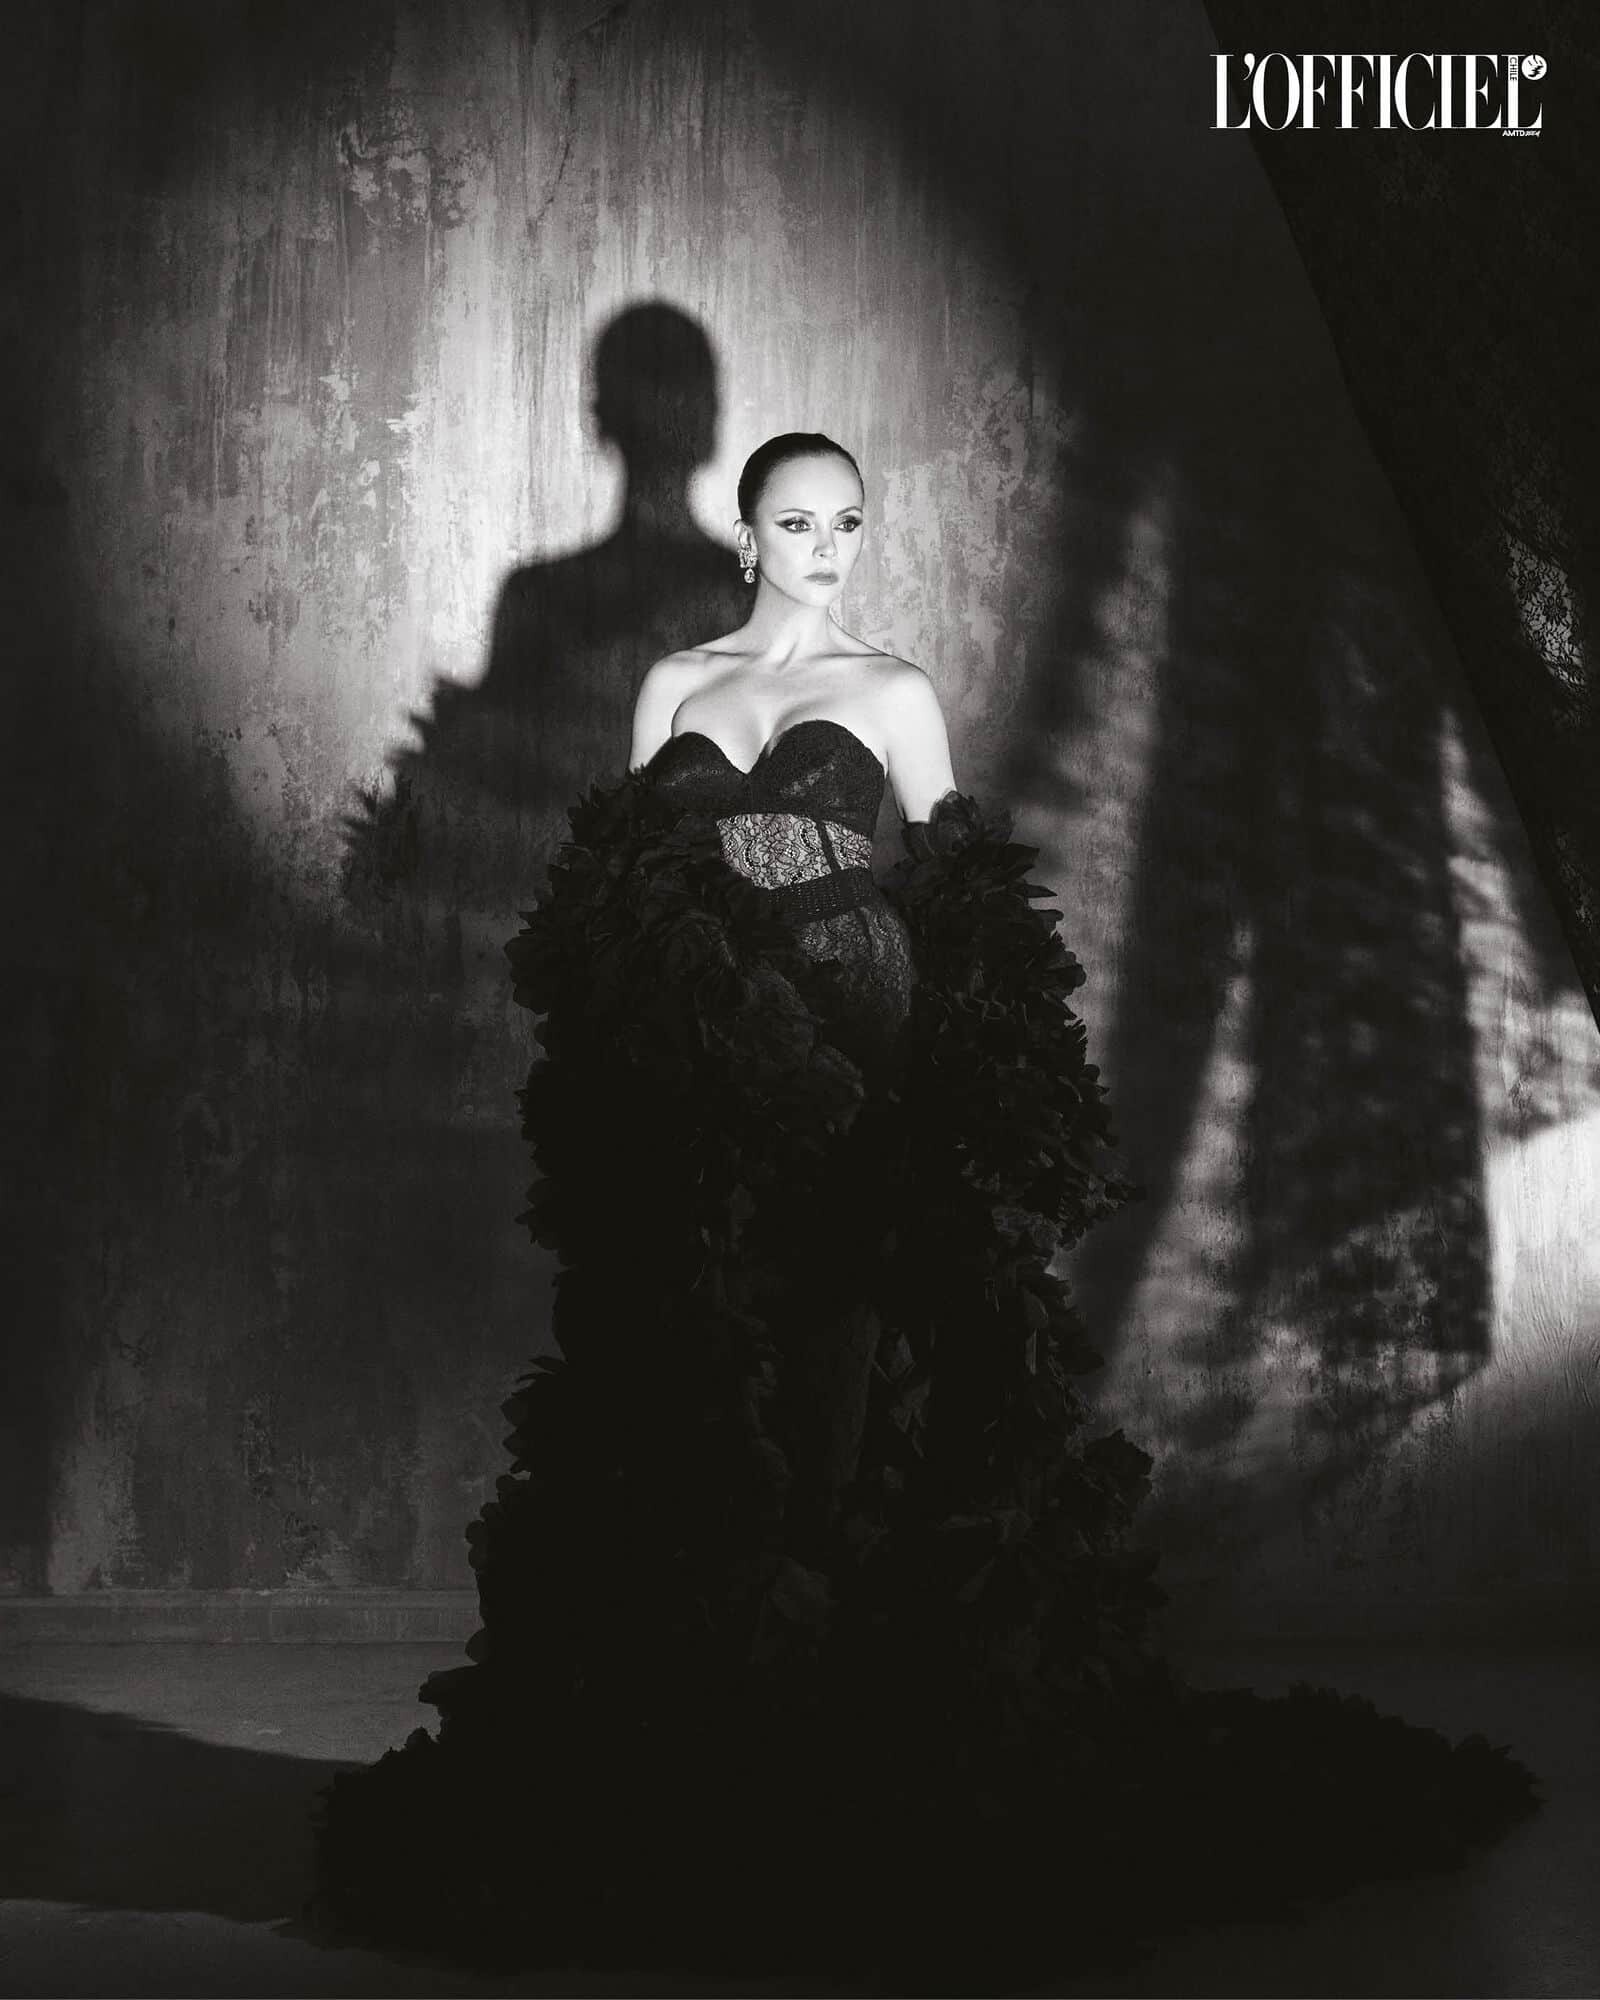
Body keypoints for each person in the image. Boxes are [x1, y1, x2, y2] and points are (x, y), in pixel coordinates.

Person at [311, 434, 1537, 1988]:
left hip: (861, 1057)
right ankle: (700, 1766)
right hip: (714, 1073)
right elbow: (626, 895)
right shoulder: (674, 684)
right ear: (747, 533)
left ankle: (841, 1754)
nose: (826, 547)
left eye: (848, 523)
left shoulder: (894, 692)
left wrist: (978, 1094)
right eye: (797, 523)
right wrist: (644, 1059)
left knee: (847, 1364)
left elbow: (961, 902)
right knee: (704, 1371)